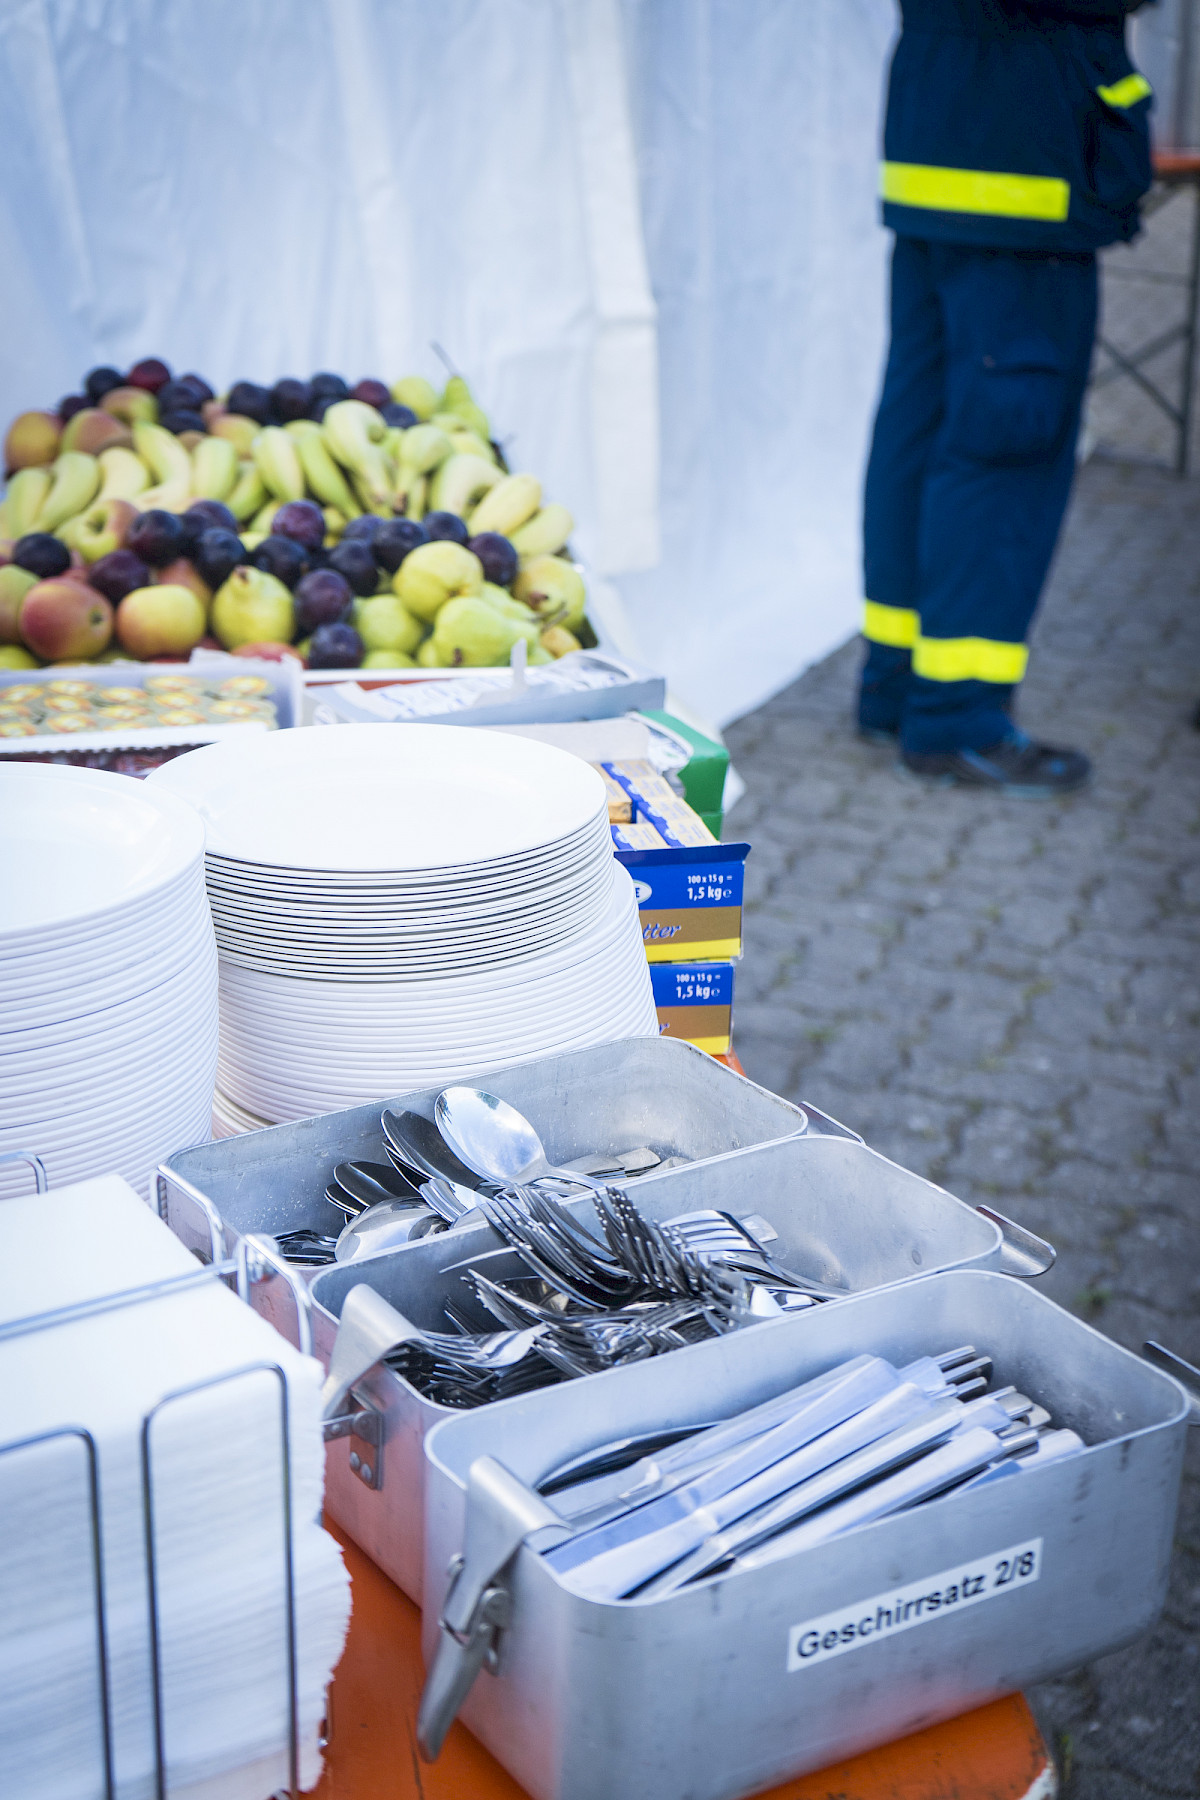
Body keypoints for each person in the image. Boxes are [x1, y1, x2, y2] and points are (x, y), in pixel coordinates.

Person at [859, 0, 1155, 794]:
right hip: (1024, 148)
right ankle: (956, 718)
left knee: (918, 427)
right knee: (1002, 446)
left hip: (939, 131)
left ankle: (897, 683)